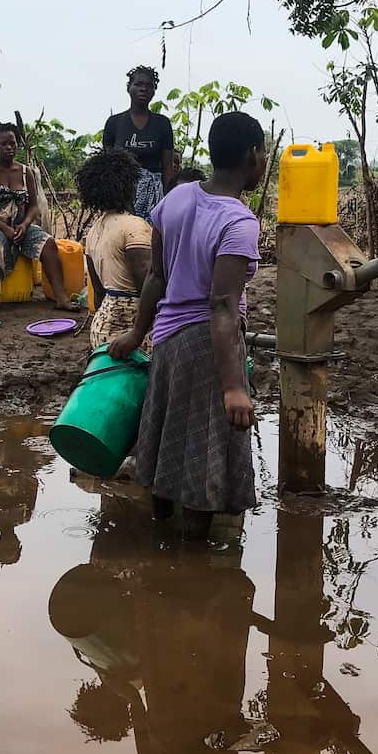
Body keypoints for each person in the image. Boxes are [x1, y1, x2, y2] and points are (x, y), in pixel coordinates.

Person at [109, 112, 267, 540]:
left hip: (168, 340)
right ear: (253, 156)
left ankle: (160, 538)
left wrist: (136, 333)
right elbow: (221, 305)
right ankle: (189, 566)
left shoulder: (174, 200)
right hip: (209, 347)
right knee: (204, 462)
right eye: (264, 150)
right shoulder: (238, 222)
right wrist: (234, 385)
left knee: (165, 448)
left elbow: (157, 278)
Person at [0, 122, 73, 313]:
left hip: (21, 227)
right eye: (4, 144)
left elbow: (34, 206)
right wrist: (5, 229)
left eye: (13, 143)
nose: (9, 148)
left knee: (49, 244)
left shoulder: (27, 172)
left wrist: (25, 225)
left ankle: (61, 297)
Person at [76, 150, 154, 353]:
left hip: (102, 326)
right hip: (132, 327)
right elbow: (148, 286)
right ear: (129, 185)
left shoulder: (94, 230)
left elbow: (98, 293)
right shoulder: (135, 227)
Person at [103, 67, 176, 221]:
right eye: (138, 84)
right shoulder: (114, 123)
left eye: (149, 85)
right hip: (122, 197)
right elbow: (108, 168)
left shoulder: (162, 124)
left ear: (154, 90)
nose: (143, 89)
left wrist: (170, 202)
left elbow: (168, 167)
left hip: (154, 199)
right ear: (129, 87)